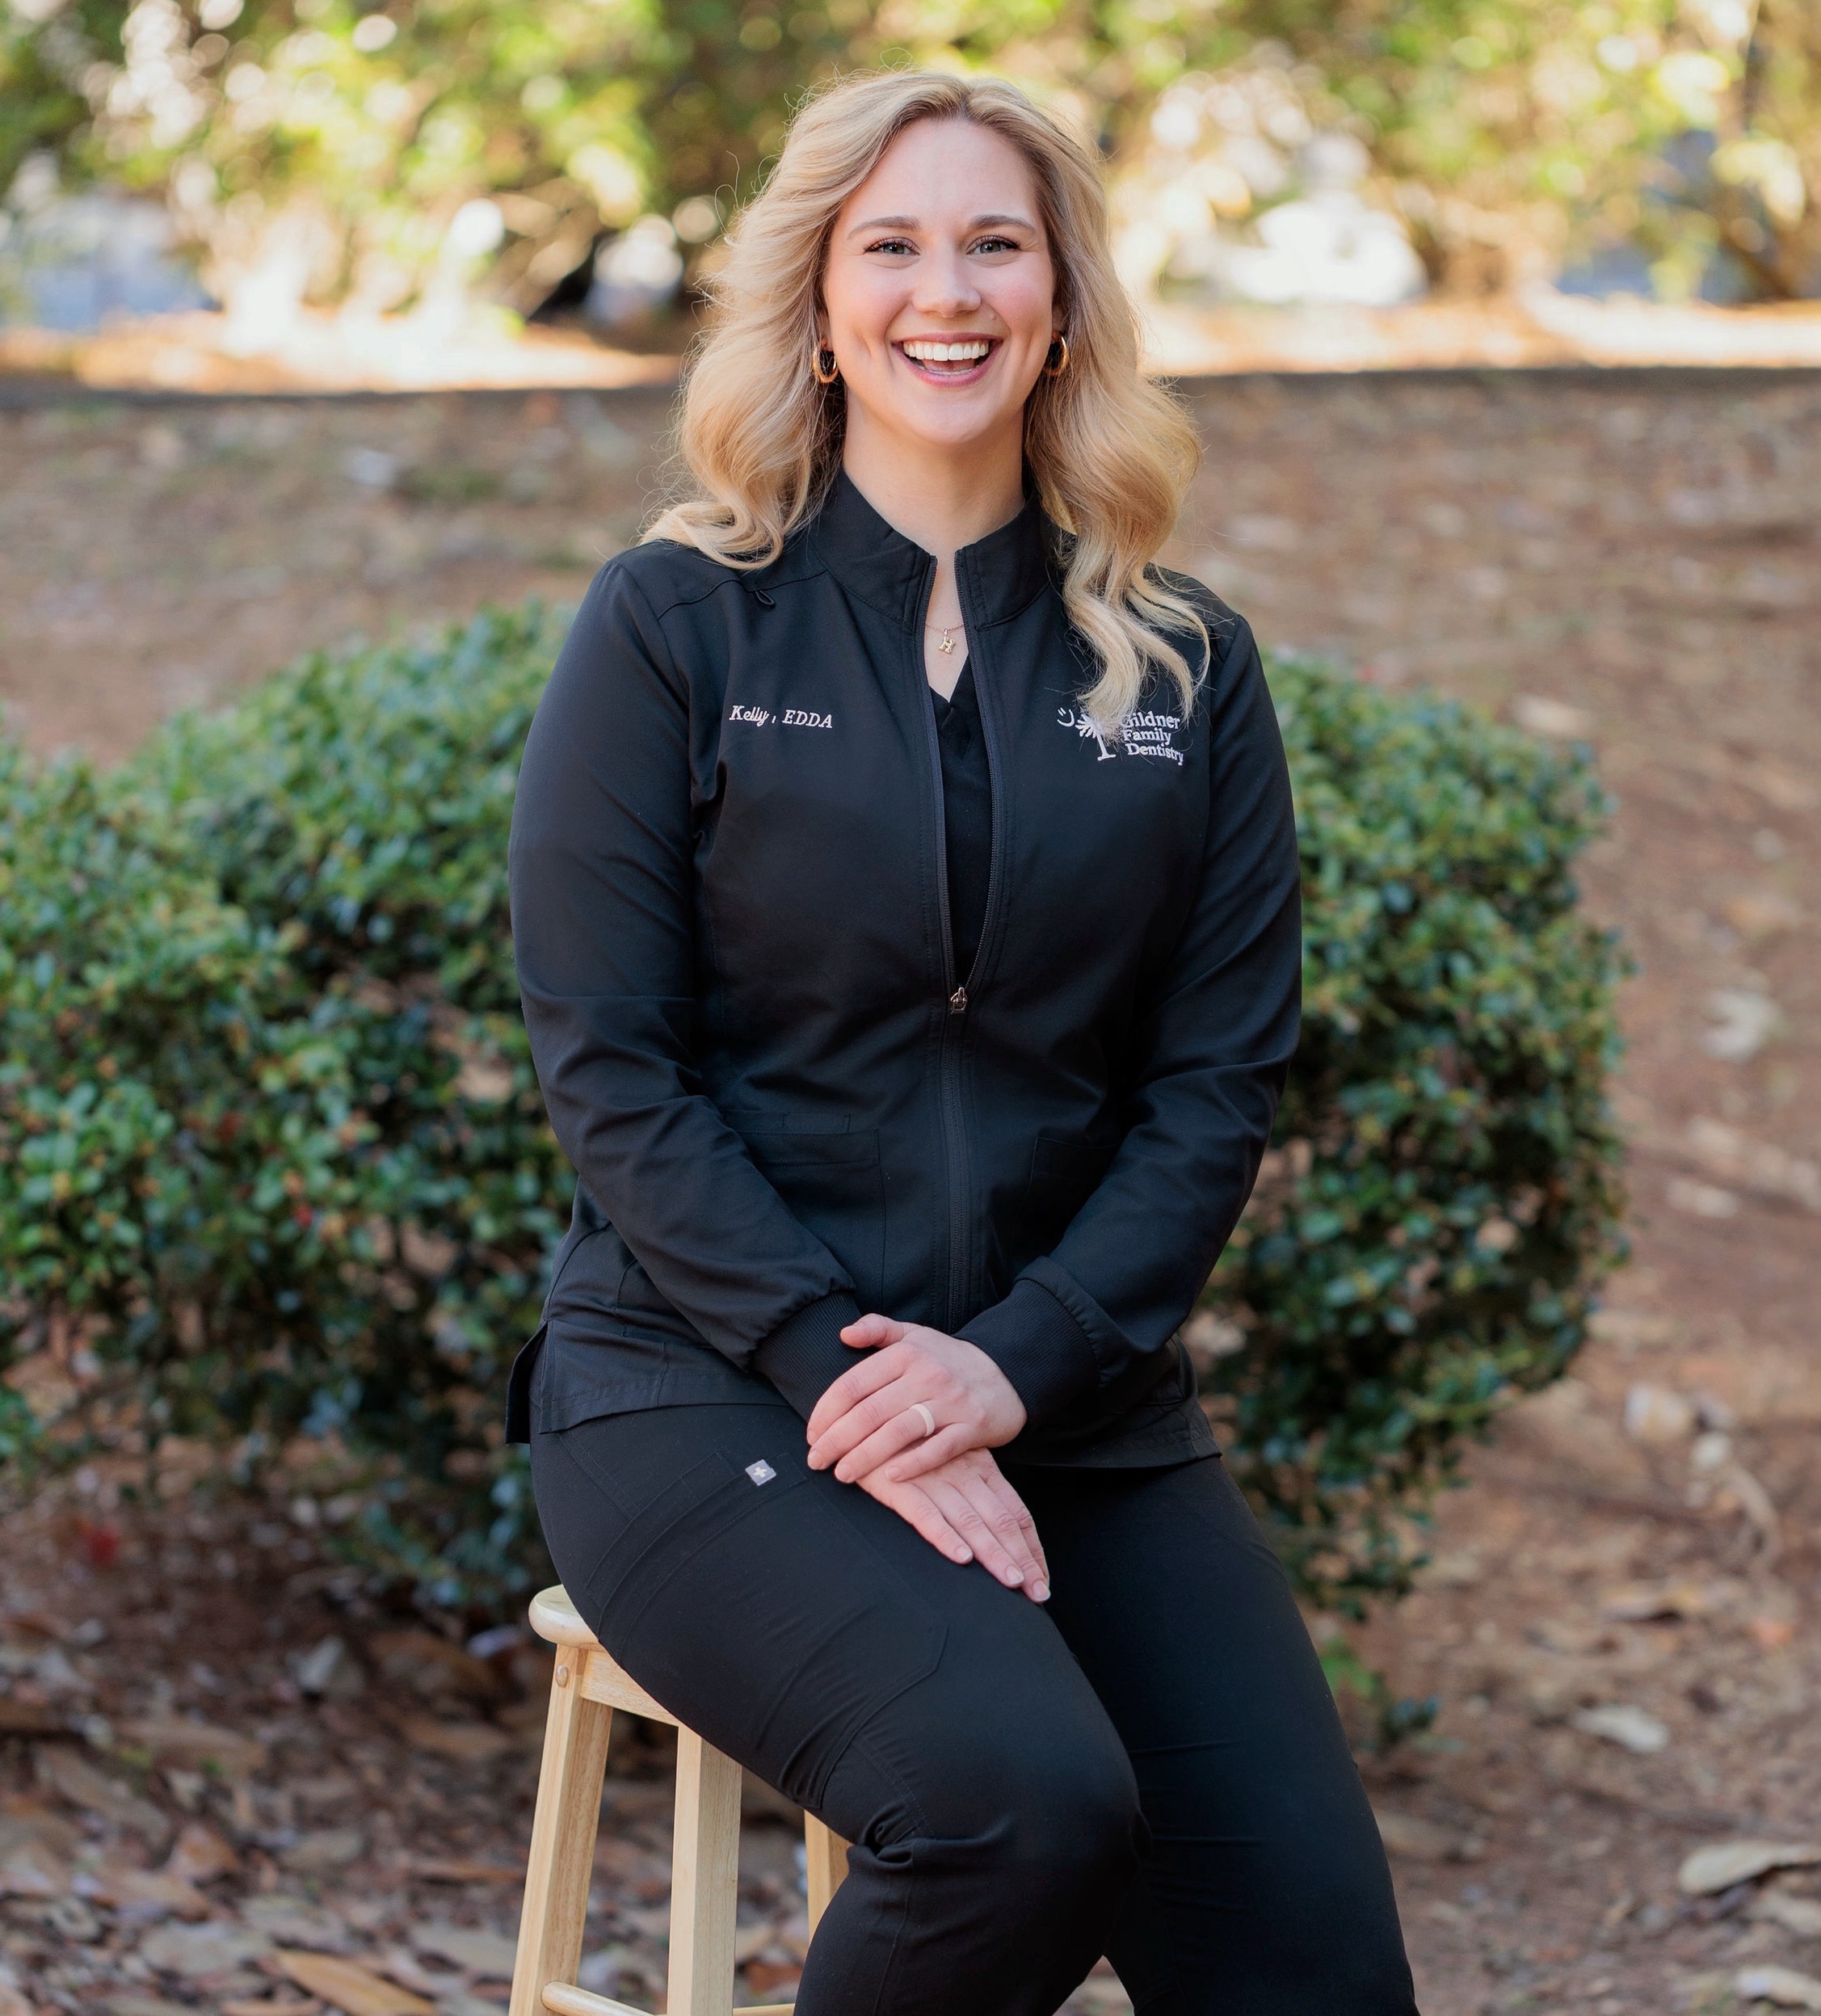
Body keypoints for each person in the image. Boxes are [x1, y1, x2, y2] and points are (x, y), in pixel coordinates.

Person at [506, 66, 1419, 2016]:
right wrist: (851, 1381)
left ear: (1062, 297)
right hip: (706, 1387)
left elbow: (1207, 1090)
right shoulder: (679, 627)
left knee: (1318, 1974)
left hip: (1062, 1398)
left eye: (995, 243)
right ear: (820, 301)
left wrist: (1005, 1374)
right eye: (893, 244)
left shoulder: (1181, 666)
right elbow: (608, 1064)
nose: (949, 290)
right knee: (1014, 1802)